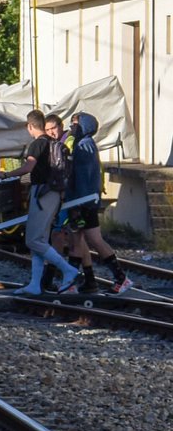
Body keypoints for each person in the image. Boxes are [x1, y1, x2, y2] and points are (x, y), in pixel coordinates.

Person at [0, 109, 80, 295]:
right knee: (40, 240)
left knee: (32, 240)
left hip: (42, 194)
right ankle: (35, 284)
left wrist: (6, 174)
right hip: (54, 194)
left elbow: (28, 167)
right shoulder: (53, 142)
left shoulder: (37, 144)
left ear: (30, 126)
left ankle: (68, 270)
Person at [63, 112, 132, 294]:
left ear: (83, 126)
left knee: (91, 240)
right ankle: (70, 283)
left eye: (74, 124)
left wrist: (79, 205)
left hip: (83, 203)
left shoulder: (84, 147)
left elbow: (84, 179)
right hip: (83, 201)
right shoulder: (83, 145)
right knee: (78, 239)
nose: (71, 127)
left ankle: (120, 278)